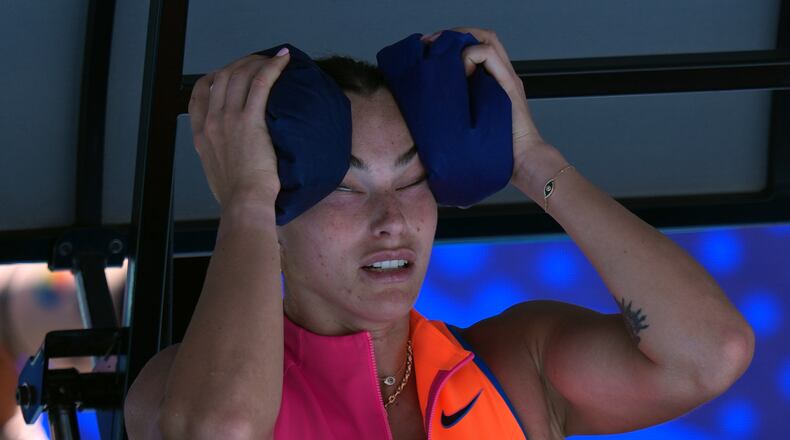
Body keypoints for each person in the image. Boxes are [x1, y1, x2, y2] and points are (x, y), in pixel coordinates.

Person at [124, 27, 754, 439]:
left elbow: (710, 353)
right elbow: (221, 430)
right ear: (279, 213)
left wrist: (534, 165)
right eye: (346, 187)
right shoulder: (175, 389)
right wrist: (247, 200)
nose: (391, 220)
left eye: (413, 178)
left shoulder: (513, 367)